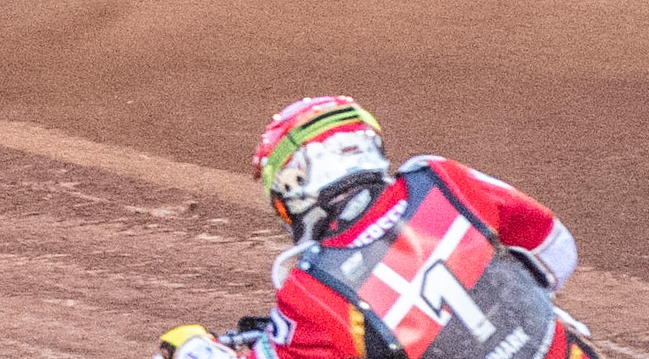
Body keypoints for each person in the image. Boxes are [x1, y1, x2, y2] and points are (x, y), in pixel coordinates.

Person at [154, 96, 595, 359]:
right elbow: (556, 251)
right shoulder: (440, 178)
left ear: (297, 186)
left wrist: (194, 346)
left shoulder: (312, 289)